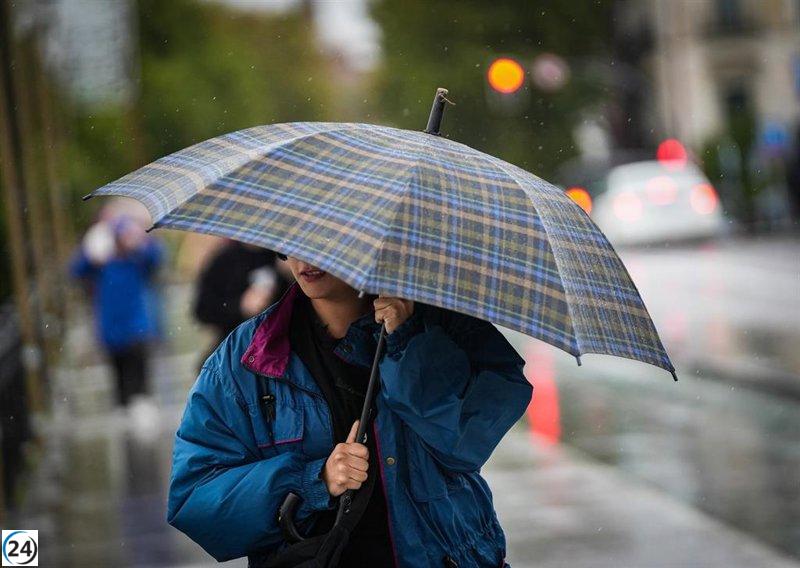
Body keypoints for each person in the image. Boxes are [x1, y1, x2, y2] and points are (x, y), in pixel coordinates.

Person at [167, 256, 532, 567]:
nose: (305, 258)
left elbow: (462, 446)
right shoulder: (246, 360)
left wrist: (409, 343)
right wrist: (314, 481)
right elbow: (196, 498)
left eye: (321, 239)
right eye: (295, 238)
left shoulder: (446, 325)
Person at [71, 214, 163, 407]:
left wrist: (143, 239)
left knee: (140, 383)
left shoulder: (137, 260)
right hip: (111, 333)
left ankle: (141, 415)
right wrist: (90, 252)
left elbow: (156, 257)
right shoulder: (101, 265)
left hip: (136, 331)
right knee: (120, 385)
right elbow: (76, 270)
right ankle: (127, 416)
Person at [193, 240, 289, 348]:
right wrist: (240, 306)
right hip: (235, 343)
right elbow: (202, 310)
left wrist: (288, 276)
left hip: (278, 341)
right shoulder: (224, 259)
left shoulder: (281, 258)